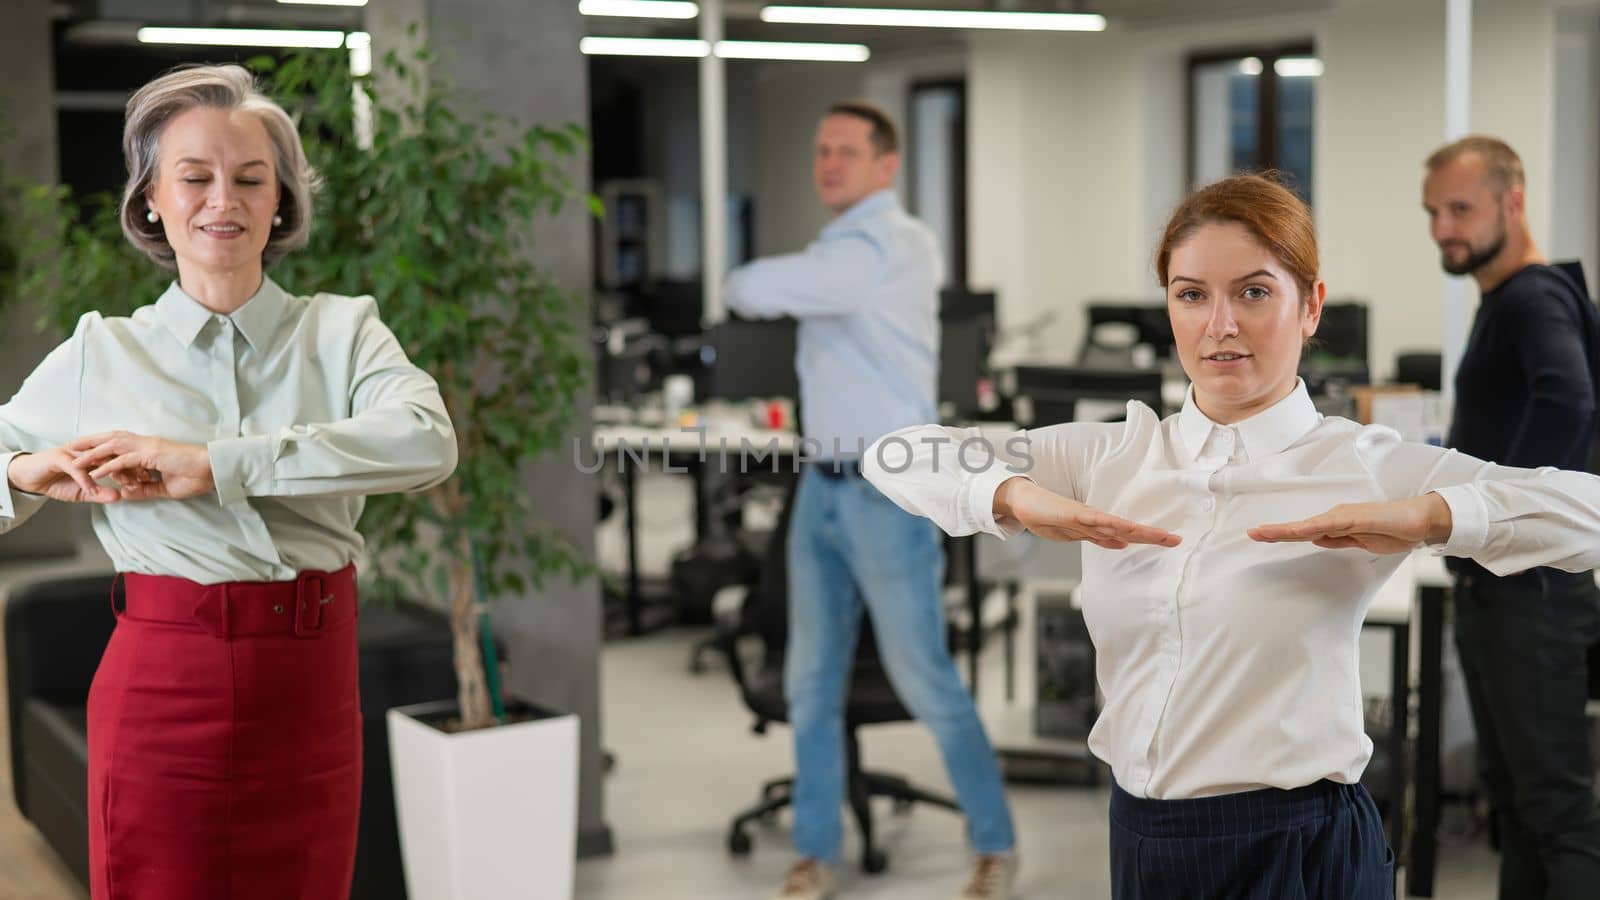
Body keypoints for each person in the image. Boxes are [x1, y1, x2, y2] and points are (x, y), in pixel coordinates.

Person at [862, 172, 1600, 900]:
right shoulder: (1114, 454)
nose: (1220, 325)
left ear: (1311, 306)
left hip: (1295, 848)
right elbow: (891, 451)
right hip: (1141, 838)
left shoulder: (1360, 462)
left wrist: (1432, 517)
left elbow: (1586, 511)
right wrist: (1011, 493)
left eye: (1253, 292)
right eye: (1192, 295)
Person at [0, 65, 458, 900]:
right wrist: (24, 470)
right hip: (163, 683)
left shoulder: (343, 330)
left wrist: (214, 465)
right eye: (194, 178)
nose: (225, 200)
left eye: (252, 179)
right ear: (151, 202)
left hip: (311, 683)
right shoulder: (100, 352)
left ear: (280, 201)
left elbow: (426, 442)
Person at [724, 100, 1018, 900]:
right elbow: (791, 291)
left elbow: (757, 286)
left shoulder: (896, 245)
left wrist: (745, 276)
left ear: (887, 165)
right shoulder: (833, 248)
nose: (828, 164)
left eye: (847, 152)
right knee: (808, 683)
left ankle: (994, 842)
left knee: (925, 676)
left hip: (890, 490)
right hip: (819, 486)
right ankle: (814, 852)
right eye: (821, 150)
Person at [1422, 135, 1600, 899]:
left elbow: (1570, 398)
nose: (1442, 229)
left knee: (1555, 813)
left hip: (1532, 598)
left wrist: (1498, 518)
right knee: (1521, 808)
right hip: (1505, 595)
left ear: (1513, 201)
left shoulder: (1530, 297)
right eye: (1432, 213)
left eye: (1460, 209)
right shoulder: (1514, 298)